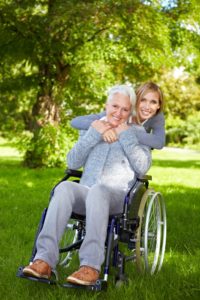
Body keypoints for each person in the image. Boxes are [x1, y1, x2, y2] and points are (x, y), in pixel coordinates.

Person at [23, 84, 151, 286]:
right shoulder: (93, 126)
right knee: (64, 188)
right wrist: (94, 133)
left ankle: (90, 267)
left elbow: (143, 167)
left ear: (131, 111)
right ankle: (44, 261)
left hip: (116, 197)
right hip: (87, 192)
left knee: (99, 191)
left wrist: (125, 135)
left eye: (125, 109)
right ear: (106, 105)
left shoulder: (137, 131)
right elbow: (72, 162)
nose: (118, 113)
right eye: (114, 106)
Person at [71, 82, 165, 149]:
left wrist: (124, 132)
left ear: (158, 105)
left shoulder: (157, 117)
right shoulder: (122, 111)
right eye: (143, 100)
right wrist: (104, 128)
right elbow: (76, 121)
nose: (147, 106)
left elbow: (159, 142)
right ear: (136, 100)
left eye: (153, 102)